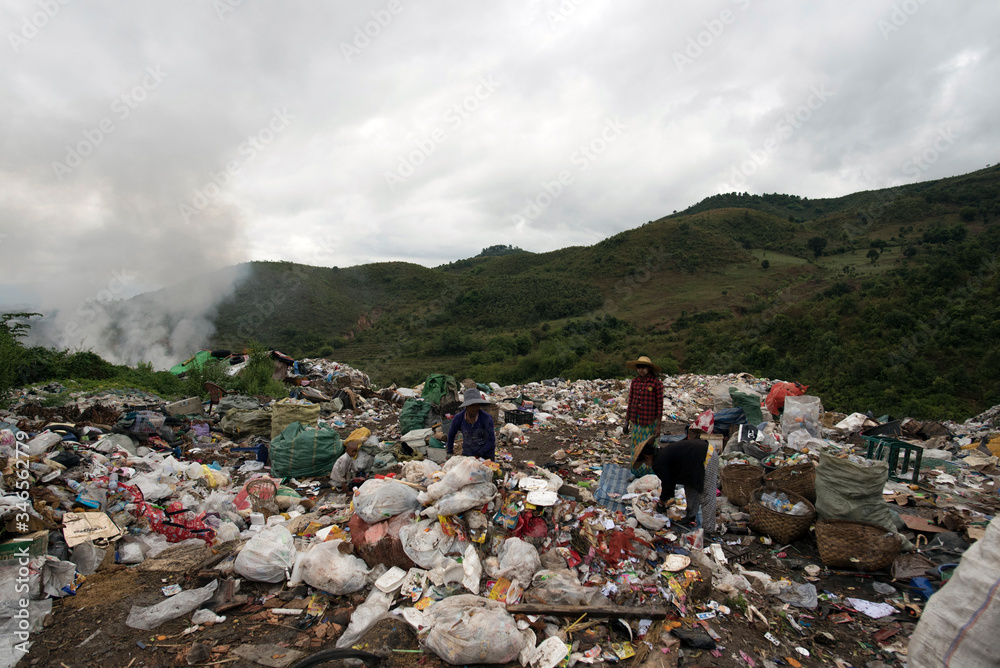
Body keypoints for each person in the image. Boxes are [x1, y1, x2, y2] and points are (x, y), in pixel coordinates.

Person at [632, 412, 720, 533]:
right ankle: (690, 515)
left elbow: (667, 484)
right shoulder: (661, 456)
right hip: (696, 458)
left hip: (706, 456)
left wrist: (662, 502)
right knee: (690, 487)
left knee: (706, 495)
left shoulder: (659, 463)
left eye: (644, 462)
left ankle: (709, 530)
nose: (646, 465)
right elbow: (671, 481)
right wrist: (665, 499)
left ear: (647, 457)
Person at [623, 355, 664, 477]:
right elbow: (630, 402)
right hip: (636, 421)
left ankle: (650, 473)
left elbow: (659, 406)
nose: (641, 370)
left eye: (644, 367)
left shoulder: (656, 384)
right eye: (639, 367)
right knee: (636, 447)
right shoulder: (635, 382)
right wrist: (626, 421)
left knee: (648, 448)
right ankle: (637, 472)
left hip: (649, 422)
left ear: (649, 368)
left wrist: (658, 426)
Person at [446, 388, 497, 460]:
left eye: (477, 405)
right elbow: (451, 435)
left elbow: (491, 440)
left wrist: (479, 454)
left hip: (486, 455)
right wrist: (450, 452)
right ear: (466, 406)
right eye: (472, 405)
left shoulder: (486, 418)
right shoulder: (459, 418)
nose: (475, 408)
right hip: (468, 454)